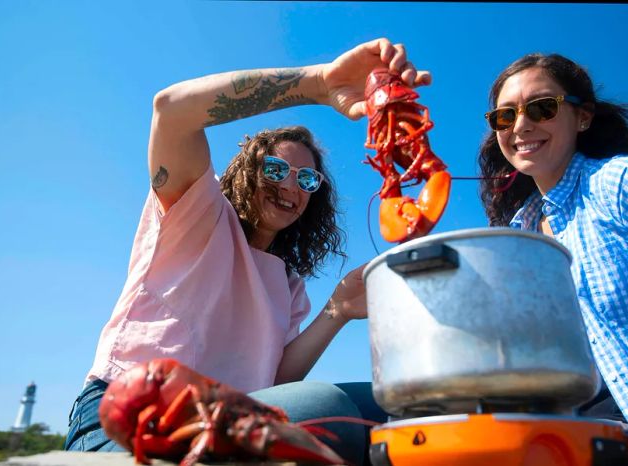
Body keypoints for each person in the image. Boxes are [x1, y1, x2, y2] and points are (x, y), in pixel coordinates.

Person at [64, 38, 431, 464]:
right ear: (245, 174)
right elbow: (171, 109)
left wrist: (340, 309)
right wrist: (318, 83)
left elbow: (274, 382)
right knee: (325, 409)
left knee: (398, 405)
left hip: (235, 419)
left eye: (307, 180)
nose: (290, 186)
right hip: (129, 419)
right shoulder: (198, 215)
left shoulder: (289, 286)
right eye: (275, 170)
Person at [477, 52, 628, 431]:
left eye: (542, 107)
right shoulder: (518, 236)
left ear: (583, 117)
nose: (521, 126)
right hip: (567, 431)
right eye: (505, 115)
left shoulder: (624, 182)